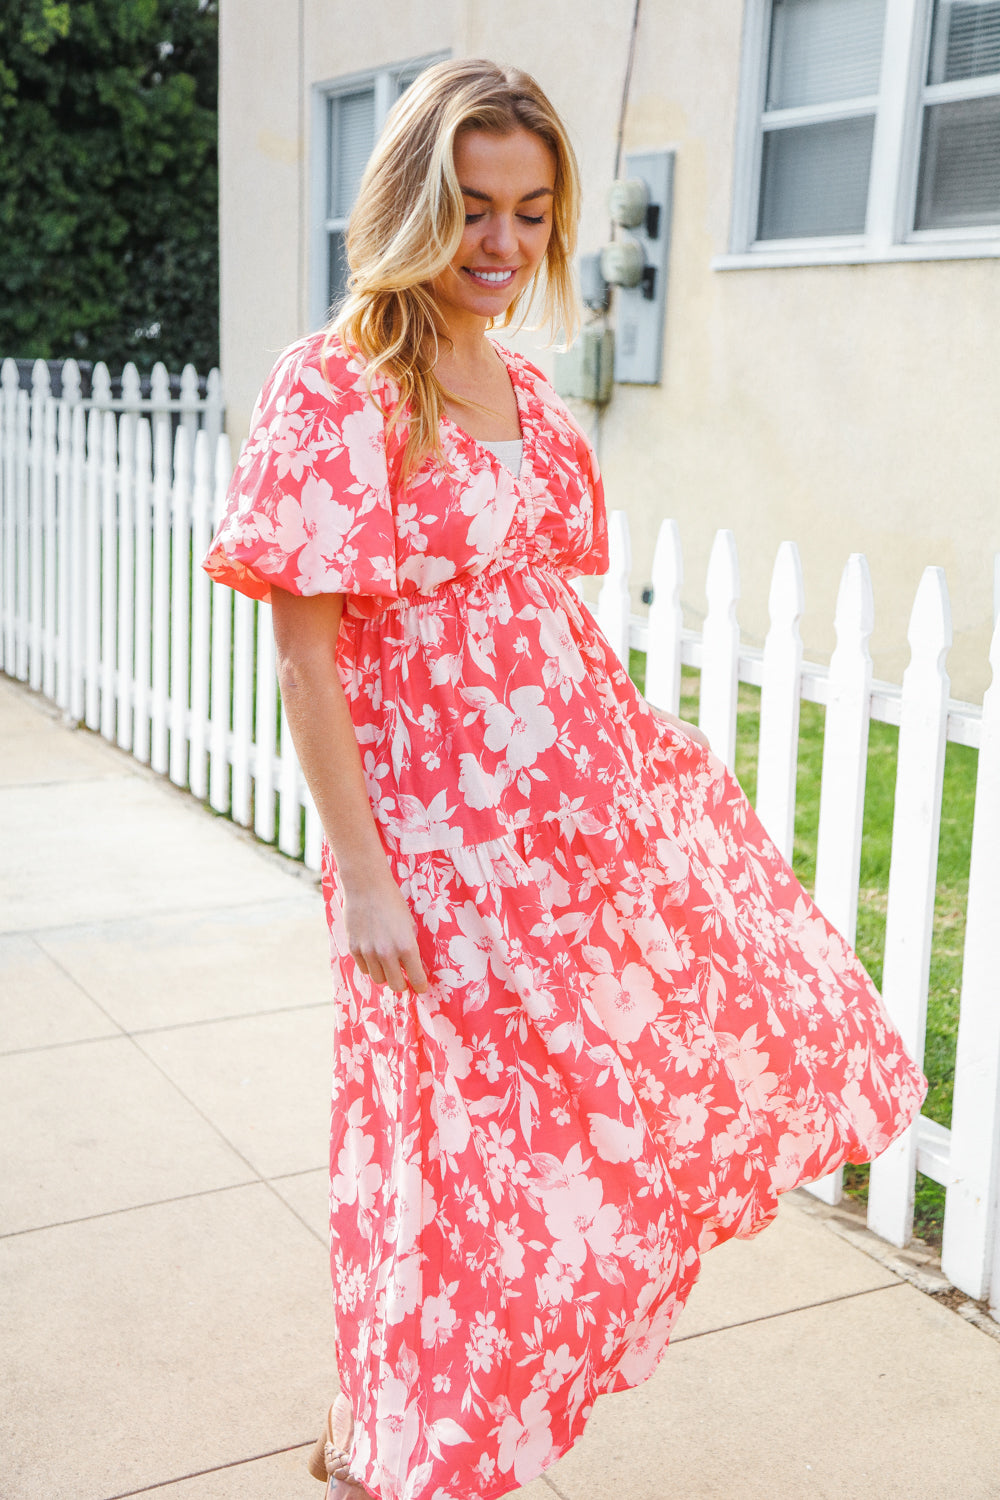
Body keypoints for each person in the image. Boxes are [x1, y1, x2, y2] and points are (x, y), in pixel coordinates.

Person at [204, 57, 926, 1500]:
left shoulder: (525, 391)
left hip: (571, 831)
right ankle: (403, 1447)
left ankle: (419, 1432)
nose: (501, 248)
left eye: (530, 214)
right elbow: (307, 660)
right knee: (450, 1168)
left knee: (602, 1121)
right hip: (430, 857)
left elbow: (543, 627)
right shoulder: (340, 384)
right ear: (410, 205)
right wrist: (363, 880)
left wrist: (645, 792)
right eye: (471, 209)